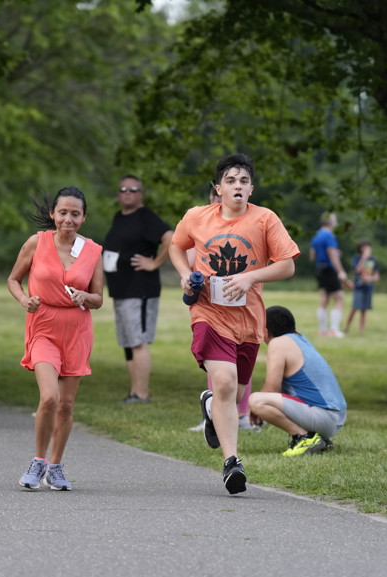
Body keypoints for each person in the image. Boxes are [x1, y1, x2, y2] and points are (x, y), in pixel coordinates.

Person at [170, 153, 300, 494]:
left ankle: (210, 405)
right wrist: (185, 275)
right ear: (219, 189)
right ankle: (232, 462)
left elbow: (288, 265)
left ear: (251, 189)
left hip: (249, 320)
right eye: (230, 181)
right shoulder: (197, 217)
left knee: (236, 392)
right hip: (208, 313)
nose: (237, 186)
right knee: (226, 383)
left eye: (243, 181)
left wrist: (250, 277)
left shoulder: (265, 219)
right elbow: (176, 246)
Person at [7, 187, 103, 491]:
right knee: (50, 397)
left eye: (75, 214)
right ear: (53, 214)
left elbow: (99, 299)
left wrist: (85, 296)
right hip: (43, 326)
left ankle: (56, 467)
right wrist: (25, 300)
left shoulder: (93, 251)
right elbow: (13, 279)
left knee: (67, 405)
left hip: (77, 331)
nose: (68, 219)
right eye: (63, 212)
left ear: (83, 217)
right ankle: (37, 461)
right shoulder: (37, 242)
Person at [188, 182, 259, 433]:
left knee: (241, 364)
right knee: (218, 363)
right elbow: (187, 260)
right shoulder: (199, 224)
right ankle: (214, 411)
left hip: (242, 306)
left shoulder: (250, 223)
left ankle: (239, 414)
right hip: (211, 307)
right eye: (216, 197)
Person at [102, 174, 173, 403]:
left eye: (133, 189)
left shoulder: (145, 217)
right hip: (121, 289)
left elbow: (170, 238)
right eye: (123, 189)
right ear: (118, 194)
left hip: (139, 290)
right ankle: (134, 391)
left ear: (141, 194)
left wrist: (154, 263)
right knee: (127, 342)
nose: (128, 193)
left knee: (137, 341)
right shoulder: (119, 216)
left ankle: (142, 394)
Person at [247, 306, 346, 455]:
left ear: (265, 331)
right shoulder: (299, 339)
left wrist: (255, 409)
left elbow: (271, 389)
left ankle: (303, 437)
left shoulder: (278, 343)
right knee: (263, 400)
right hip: (335, 416)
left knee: (256, 400)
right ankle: (320, 440)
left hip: (325, 417)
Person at [310, 212, 350, 337]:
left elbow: (312, 256)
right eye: (335, 220)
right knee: (339, 298)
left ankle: (322, 331)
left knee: (324, 299)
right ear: (330, 222)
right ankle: (334, 330)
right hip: (329, 270)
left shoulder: (316, 235)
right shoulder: (329, 235)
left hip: (319, 269)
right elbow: (332, 256)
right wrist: (341, 271)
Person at [344, 240, 379, 334]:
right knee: (355, 308)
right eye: (364, 247)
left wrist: (370, 278)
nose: (366, 249)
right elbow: (357, 270)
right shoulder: (357, 258)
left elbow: (376, 275)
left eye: (367, 247)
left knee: (364, 310)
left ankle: (361, 330)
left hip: (368, 287)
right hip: (358, 287)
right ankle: (347, 327)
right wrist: (364, 258)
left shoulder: (373, 260)